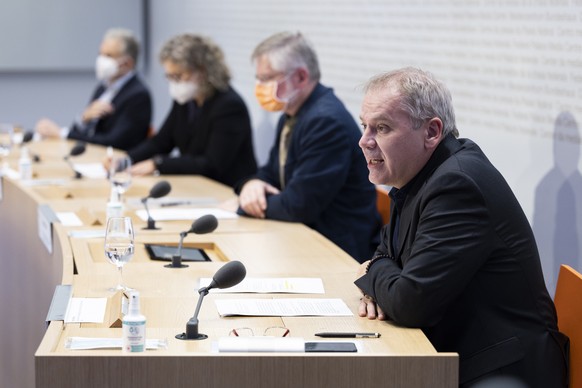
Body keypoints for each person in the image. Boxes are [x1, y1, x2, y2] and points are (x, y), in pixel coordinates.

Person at [355, 67, 569, 387]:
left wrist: (373, 272)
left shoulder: (456, 185)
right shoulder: (422, 174)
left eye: (382, 128)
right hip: (463, 355)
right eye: (365, 126)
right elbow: (390, 249)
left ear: (432, 132)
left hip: (501, 372)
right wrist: (383, 272)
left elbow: (409, 302)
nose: (364, 141)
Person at [236, 32, 381, 263]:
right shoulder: (291, 114)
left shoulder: (325, 121)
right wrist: (252, 184)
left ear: (301, 77)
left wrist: (244, 204)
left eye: (268, 78)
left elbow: (297, 205)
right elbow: (271, 173)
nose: (260, 87)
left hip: (337, 250)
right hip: (302, 237)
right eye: (258, 78)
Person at [125, 34, 257, 187]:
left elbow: (211, 164)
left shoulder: (229, 106)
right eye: (169, 76)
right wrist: (126, 159)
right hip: (196, 186)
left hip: (226, 189)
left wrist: (158, 164)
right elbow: (161, 142)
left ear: (202, 71)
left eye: (178, 76)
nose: (174, 83)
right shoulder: (185, 100)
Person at [35, 28, 152, 151]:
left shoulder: (138, 95)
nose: (102, 60)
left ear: (127, 63)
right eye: (100, 54)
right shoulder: (103, 87)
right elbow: (81, 132)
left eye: (109, 55)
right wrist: (83, 118)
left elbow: (114, 142)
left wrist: (62, 133)